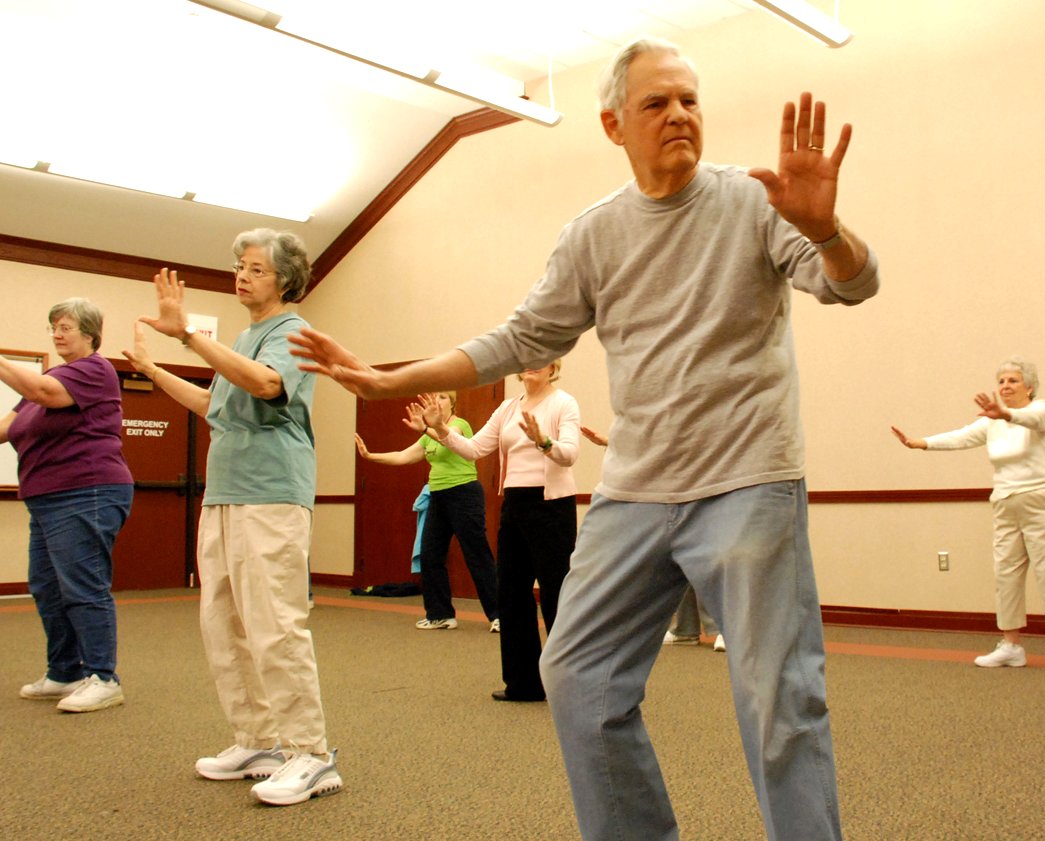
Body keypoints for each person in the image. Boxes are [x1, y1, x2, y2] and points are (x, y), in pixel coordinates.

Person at [290, 37, 877, 841]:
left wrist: (829, 228)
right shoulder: (593, 234)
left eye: (690, 100)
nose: (678, 114)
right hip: (635, 493)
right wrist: (390, 379)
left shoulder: (754, 200)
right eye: (656, 103)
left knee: (780, 699)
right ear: (613, 124)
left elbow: (851, 282)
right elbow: (518, 338)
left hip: (747, 482)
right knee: (574, 675)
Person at [122, 229, 344, 805]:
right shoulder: (244, 338)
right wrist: (153, 367)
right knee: (224, 624)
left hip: (271, 493)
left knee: (275, 624)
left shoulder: (294, 334)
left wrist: (191, 337)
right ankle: (259, 739)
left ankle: (312, 753)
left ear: (286, 280)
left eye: (256, 269)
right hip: (224, 494)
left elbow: (268, 386)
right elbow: (211, 406)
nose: (242, 276)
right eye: (239, 267)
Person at [892, 357, 1045, 674]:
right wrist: (920, 443)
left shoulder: (1041, 410)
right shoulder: (992, 422)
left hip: (1042, 499)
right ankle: (1011, 646)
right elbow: (961, 436)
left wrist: (1005, 413)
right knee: (1005, 573)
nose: (1006, 386)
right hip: (1005, 501)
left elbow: (1030, 420)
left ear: (1030, 387)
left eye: (1013, 381)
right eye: (1002, 381)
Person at [420, 360, 579, 702]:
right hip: (515, 505)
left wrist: (543, 441)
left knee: (557, 594)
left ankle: (571, 686)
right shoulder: (507, 409)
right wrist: (443, 431)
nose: (533, 366)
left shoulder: (564, 403)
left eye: (543, 361)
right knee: (511, 593)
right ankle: (524, 684)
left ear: (553, 368)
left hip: (552, 507)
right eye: (527, 361)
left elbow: (569, 455)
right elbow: (474, 449)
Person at [2, 299, 133, 713]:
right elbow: (7, 427)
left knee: (82, 586)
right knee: (47, 588)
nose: (57, 334)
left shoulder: (95, 370)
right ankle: (65, 672)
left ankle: (103, 677)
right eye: (53, 327)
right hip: (46, 497)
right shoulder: (45, 384)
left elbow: (41, 391)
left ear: (91, 334)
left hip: (87, 491)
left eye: (66, 327)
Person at [355, 391, 500, 632]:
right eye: (432, 397)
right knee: (431, 555)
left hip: (464, 493)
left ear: (452, 403)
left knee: (477, 554)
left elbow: (448, 437)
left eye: (442, 397)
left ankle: (499, 614)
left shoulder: (458, 425)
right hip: (438, 495)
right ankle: (440, 614)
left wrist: (425, 428)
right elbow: (403, 456)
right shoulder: (428, 436)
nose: (436, 401)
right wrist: (370, 456)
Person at [583, 426, 724, 653]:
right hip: (673, 490)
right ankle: (685, 630)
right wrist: (611, 442)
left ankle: (721, 629)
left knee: (705, 562)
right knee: (682, 559)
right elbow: (655, 444)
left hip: (706, 488)